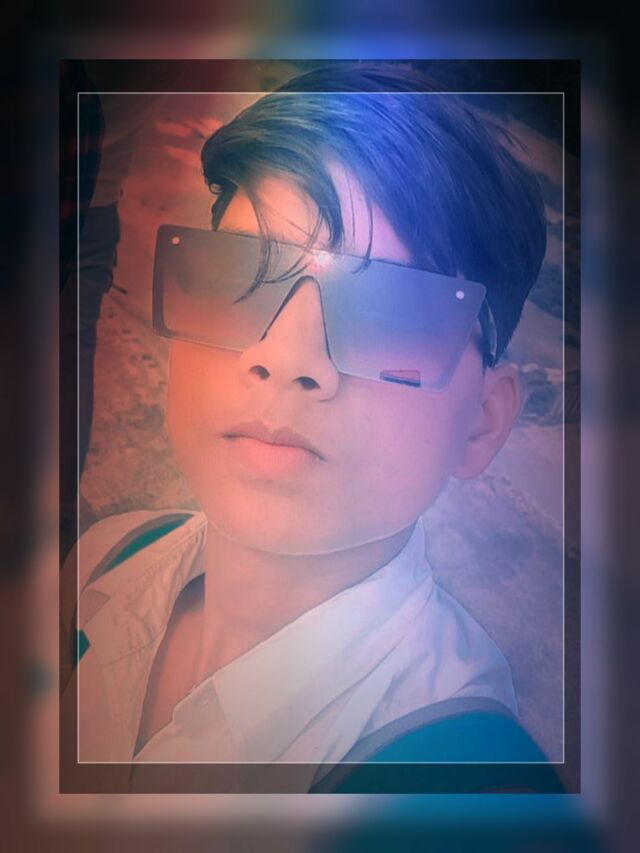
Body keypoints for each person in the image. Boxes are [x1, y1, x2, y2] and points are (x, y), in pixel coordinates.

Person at [63, 64, 559, 792]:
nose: (286, 357)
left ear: (482, 423)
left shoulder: (472, 783)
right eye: (240, 278)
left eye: (391, 314)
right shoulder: (104, 564)